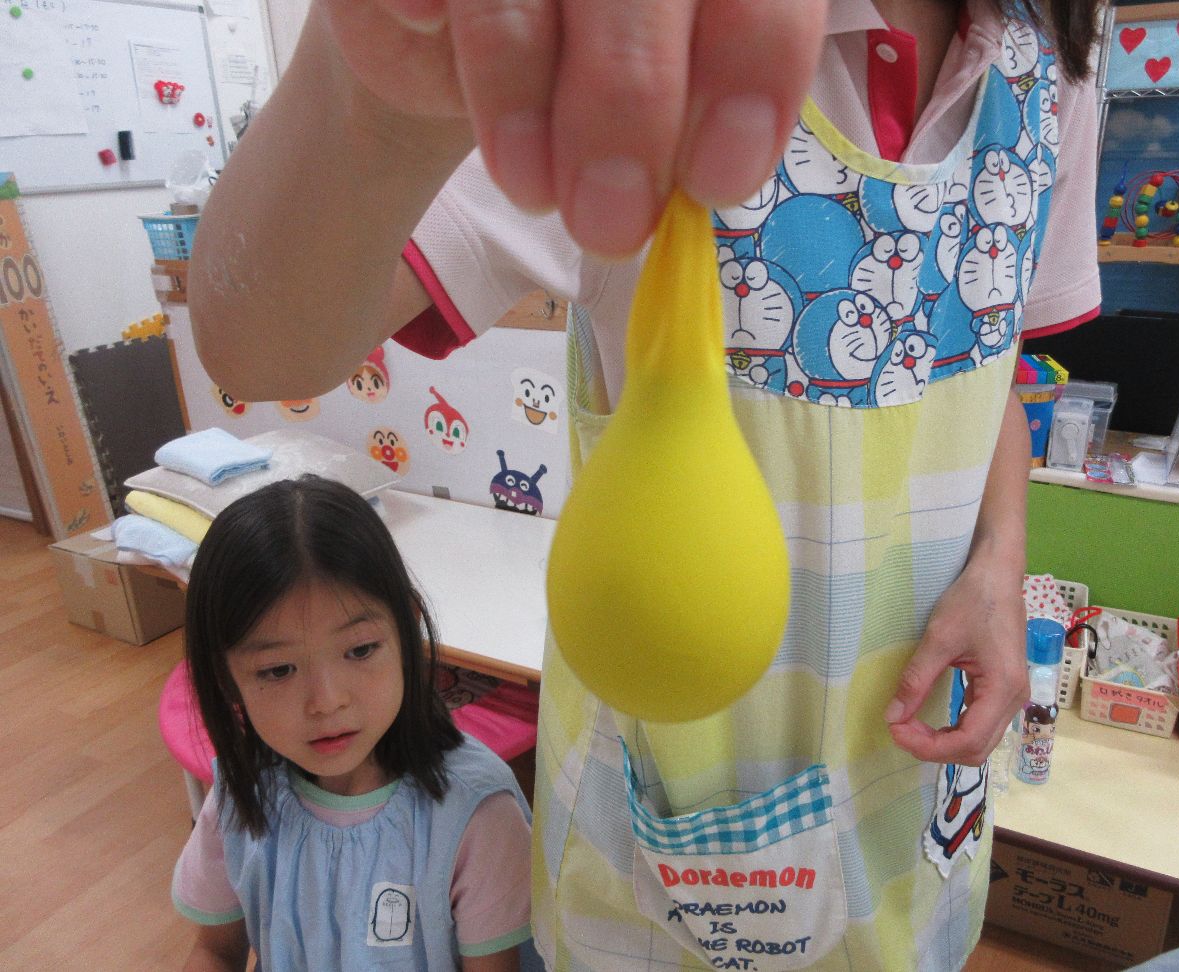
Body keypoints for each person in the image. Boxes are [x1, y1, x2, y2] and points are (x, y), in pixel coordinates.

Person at [190, 1, 1104, 967]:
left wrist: (1000, 558)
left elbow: (995, 368)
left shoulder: (1052, 54)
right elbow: (264, 349)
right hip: (677, 814)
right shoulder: (643, 49)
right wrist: (376, 101)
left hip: (908, 782)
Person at [172, 476, 534, 971]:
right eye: (278, 670)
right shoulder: (240, 794)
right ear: (226, 677)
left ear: (406, 629)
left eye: (360, 650)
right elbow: (215, 950)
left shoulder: (477, 815)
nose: (327, 702)